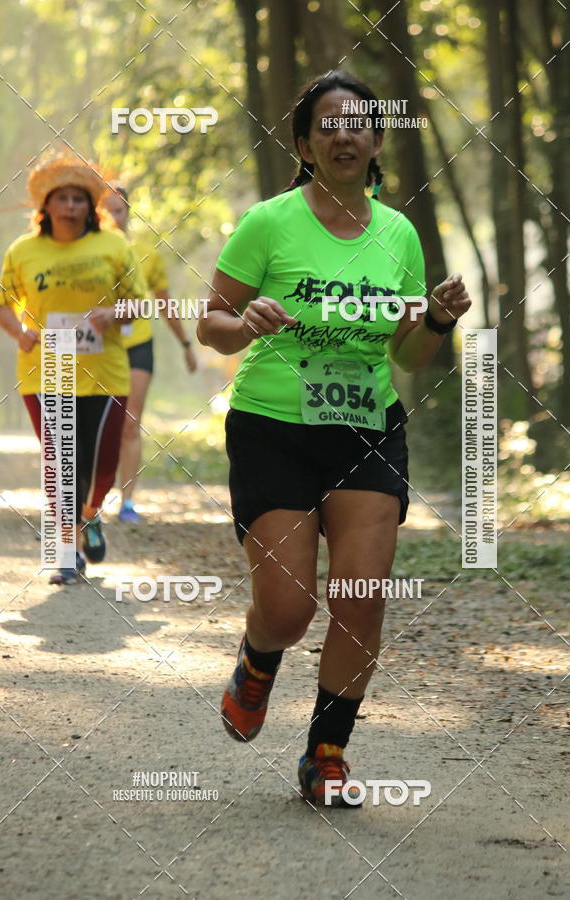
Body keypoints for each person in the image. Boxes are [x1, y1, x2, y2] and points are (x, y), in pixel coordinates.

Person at [197, 71, 471, 807]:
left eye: (358, 123)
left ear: (378, 141)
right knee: (288, 612)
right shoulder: (269, 222)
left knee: (361, 596)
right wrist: (245, 319)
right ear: (305, 144)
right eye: (328, 124)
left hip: (367, 428)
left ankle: (326, 753)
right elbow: (209, 326)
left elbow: (406, 357)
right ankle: (258, 664)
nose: (344, 133)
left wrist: (436, 323)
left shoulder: (399, 235)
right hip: (273, 427)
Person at [0, 152, 147, 584]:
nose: (70, 207)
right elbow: (3, 308)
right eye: (61, 199)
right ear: (46, 206)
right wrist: (21, 332)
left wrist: (113, 315)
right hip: (45, 373)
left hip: (106, 373)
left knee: (101, 468)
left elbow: (138, 304)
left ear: (90, 206)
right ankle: (65, 549)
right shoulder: (23, 251)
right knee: (61, 462)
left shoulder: (113, 245)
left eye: (79, 199)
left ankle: (91, 512)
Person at [100, 186, 197, 524]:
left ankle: (127, 502)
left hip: (137, 344)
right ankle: (89, 498)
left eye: (119, 210)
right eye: (106, 210)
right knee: (95, 423)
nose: (113, 217)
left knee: (130, 423)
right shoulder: (85, 251)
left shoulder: (146, 254)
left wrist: (186, 344)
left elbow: (165, 304)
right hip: (96, 347)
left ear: (129, 213)